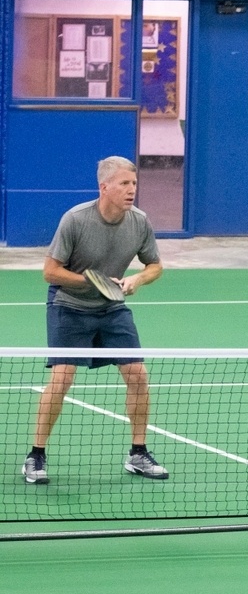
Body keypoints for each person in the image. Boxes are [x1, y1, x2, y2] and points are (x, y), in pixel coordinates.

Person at [22, 156, 167, 485]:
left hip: (112, 308)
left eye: (134, 183)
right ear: (105, 187)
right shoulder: (75, 220)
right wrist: (94, 281)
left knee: (138, 376)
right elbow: (50, 272)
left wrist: (136, 281)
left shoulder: (139, 221)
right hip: (69, 305)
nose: (132, 190)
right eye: (124, 184)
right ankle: (36, 456)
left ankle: (138, 453)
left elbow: (155, 266)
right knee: (62, 379)